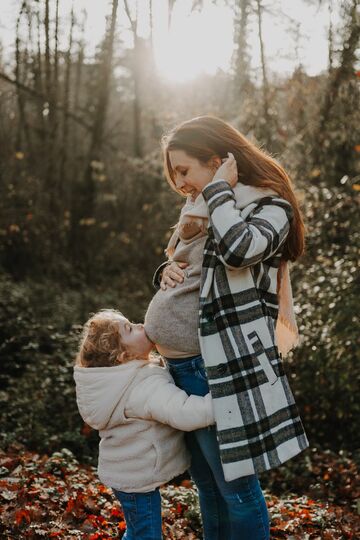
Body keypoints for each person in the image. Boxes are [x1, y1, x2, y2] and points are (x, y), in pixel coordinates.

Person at [144, 115, 309, 540]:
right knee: (208, 486)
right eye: (173, 173)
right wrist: (166, 271)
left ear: (216, 161)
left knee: (236, 490)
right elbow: (190, 266)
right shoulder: (200, 205)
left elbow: (238, 251)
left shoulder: (270, 207)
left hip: (217, 366)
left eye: (184, 170)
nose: (179, 183)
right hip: (181, 368)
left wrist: (218, 188)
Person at [73, 308, 214, 540]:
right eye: (130, 329)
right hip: (137, 479)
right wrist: (221, 404)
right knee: (146, 534)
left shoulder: (113, 383)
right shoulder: (142, 386)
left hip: (125, 473)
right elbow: (183, 412)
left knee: (138, 530)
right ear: (122, 356)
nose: (140, 326)